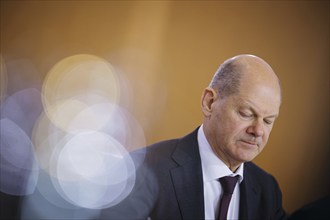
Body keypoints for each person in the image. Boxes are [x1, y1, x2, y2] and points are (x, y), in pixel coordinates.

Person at [101, 54, 287, 220]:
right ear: (209, 102)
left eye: (268, 121)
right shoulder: (142, 171)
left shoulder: (267, 190)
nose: (258, 130)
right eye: (247, 114)